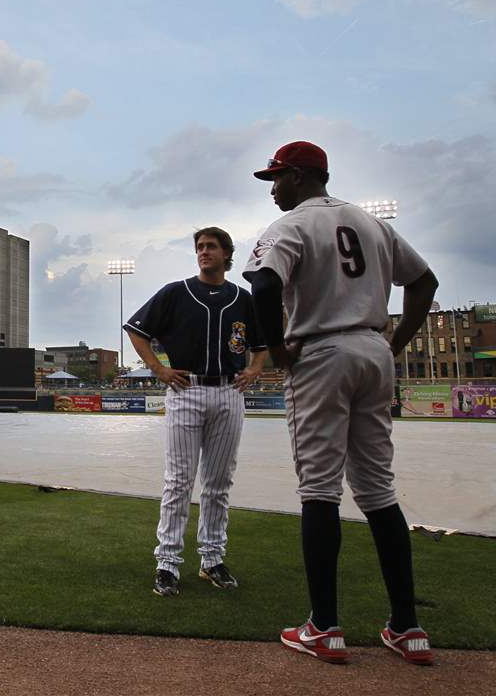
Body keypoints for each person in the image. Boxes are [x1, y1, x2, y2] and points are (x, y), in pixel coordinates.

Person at [243, 141, 439, 665]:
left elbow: (263, 287)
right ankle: (407, 627)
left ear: (303, 177)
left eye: (277, 178)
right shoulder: (370, 223)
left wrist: (278, 349)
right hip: (374, 350)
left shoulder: (291, 226)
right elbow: (424, 282)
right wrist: (394, 345)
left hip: (322, 351)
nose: (273, 189)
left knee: (320, 489)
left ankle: (324, 627)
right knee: (378, 490)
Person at [124, 227, 268, 597]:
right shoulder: (176, 292)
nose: (204, 252)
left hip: (228, 392)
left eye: (211, 247)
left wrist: (254, 368)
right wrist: (158, 368)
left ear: (226, 254)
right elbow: (136, 330)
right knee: (178, 482)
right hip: (186, 391)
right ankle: (167, 563)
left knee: (219, 484)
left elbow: (261, 342)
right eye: (200, 247)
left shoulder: (242, 297)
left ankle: (212, 559)